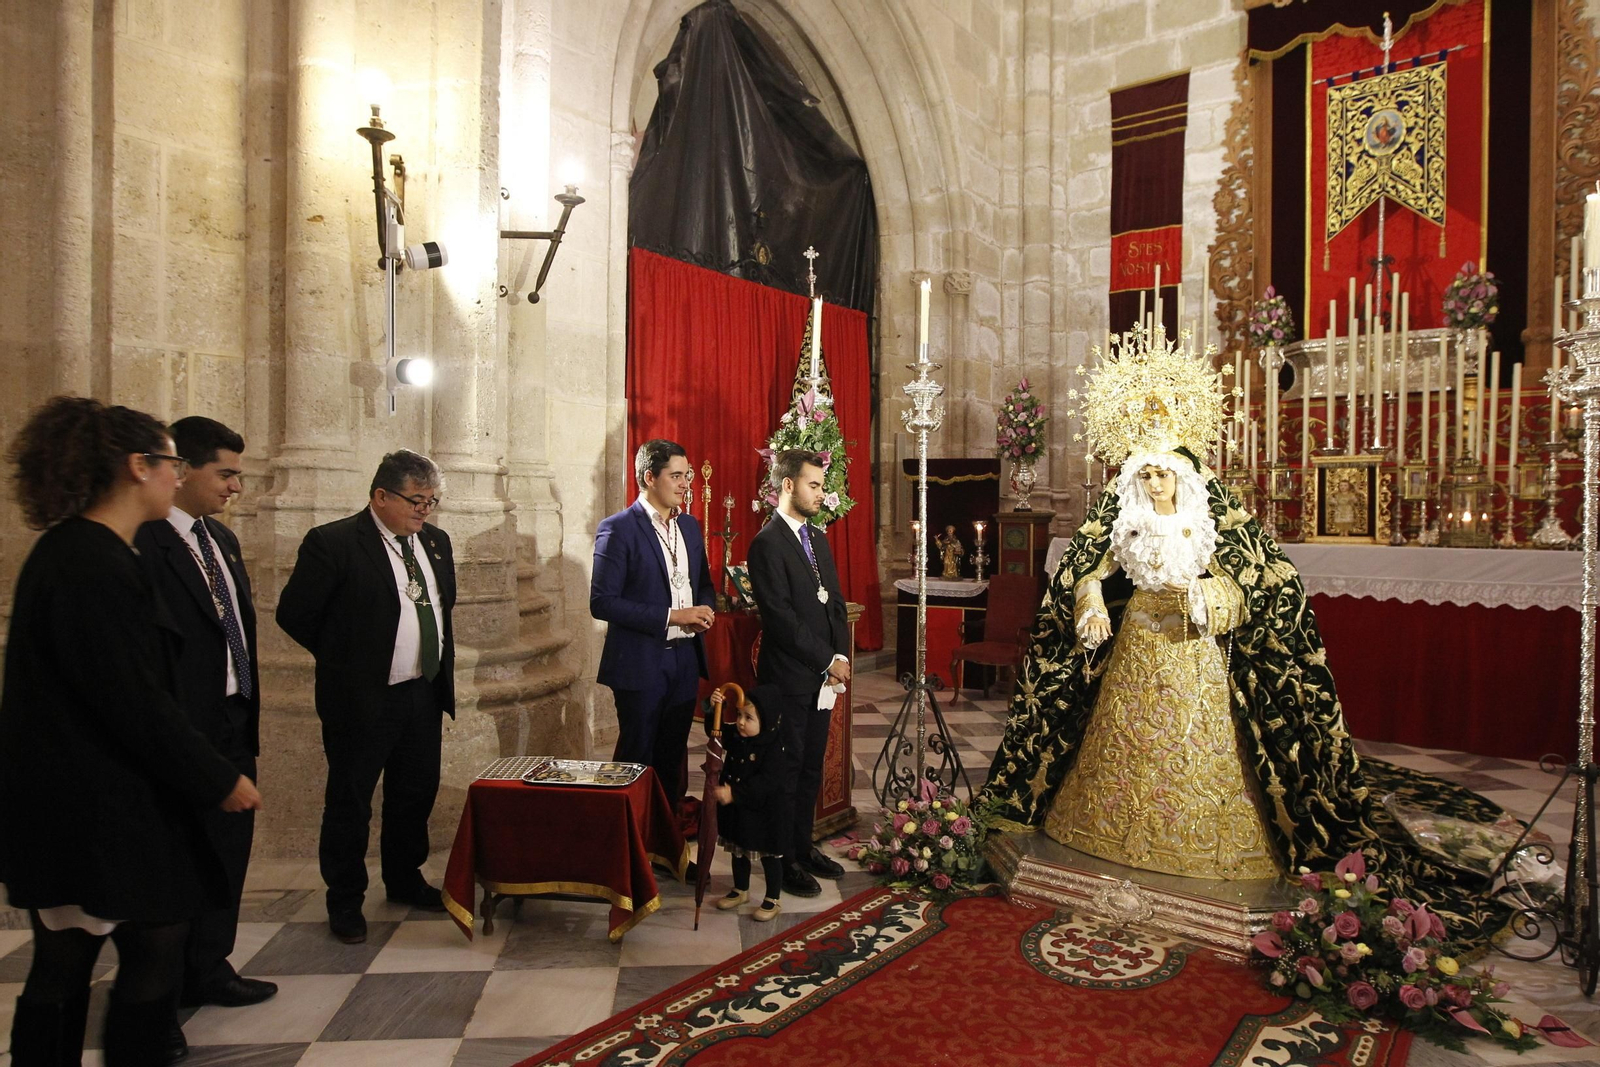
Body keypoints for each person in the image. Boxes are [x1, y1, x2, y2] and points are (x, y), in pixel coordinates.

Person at [979, 338, 1508, 948]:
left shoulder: (1212, 518)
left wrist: (1207, 600)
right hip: (1136, 648)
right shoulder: (1122, 515)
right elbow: (1091, 567)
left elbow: (1258, 583)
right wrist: (1091, 600)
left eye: (1161, 473)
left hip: (1195, 650)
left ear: (1183, 472)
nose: (1152, 483)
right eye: (1144, 473)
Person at [0, 397, 261, 1065]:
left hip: (103, 799)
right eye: (172, 462)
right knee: (131, 952)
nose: (180, 476)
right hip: (98, 804)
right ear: (136, 466)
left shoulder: (85, 550)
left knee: (100, 953)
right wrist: (217, 777)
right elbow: (130, 698)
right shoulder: (90, 560)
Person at [277, 449, 457, 945]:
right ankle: (345, 899)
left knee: (414, 794)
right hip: (362, 699)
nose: (425, 511)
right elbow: (294, 615)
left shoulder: (435, 543)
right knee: (351, 801)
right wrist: (350, 659)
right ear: (381, 496)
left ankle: (403, 879)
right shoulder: (333, 543)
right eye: (416, 501)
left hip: (422, 691)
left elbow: (443, 610)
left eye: (432, 501)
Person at [134, 416, 277, 1010]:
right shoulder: (144, 542)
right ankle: (157, 991)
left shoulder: (221, 540)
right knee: (175, 860)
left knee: (226, 850)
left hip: (232, 715)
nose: (234, 488)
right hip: (182, 724)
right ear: (182, 469)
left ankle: (210, 964)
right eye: (225, 474)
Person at [746, 449, 850, 898]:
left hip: (822, 677)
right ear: (788, 485)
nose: (820, 493)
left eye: (822, 485)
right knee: (785, 772)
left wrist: (837, 662)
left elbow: (837, 606)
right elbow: (781, 619)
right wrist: (827, 660)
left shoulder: (818, 539)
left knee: (811, 767)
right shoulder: (766, 544)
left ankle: (803, 847)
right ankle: (782, 861)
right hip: (789, 676)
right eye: (814, 484)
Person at [591, 440, 716, 805]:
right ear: (649, 477)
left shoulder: (690, 527)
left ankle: (666, 848)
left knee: (672, 760)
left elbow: (703, 584)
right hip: (640, 662)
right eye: (676, 475)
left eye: (687, 475)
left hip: (684, 659)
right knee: (636, 760)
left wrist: (703, 611)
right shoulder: (618, 529)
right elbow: (602, 602)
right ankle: (629, 849)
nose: (685, 484)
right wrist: (672, 616)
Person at [707, 684, 788, 922]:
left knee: (769, 855)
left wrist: (735, 794)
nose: (741, 722)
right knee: (738, 850)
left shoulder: (773, 747)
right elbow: (716, 731)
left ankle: (773, 897)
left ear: (767, 720)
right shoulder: (737, 736)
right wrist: (714, 709)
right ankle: (741, 889)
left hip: (764, 813)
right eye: (739, 715)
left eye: (749, 718)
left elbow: (766, 783)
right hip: (739, 811)